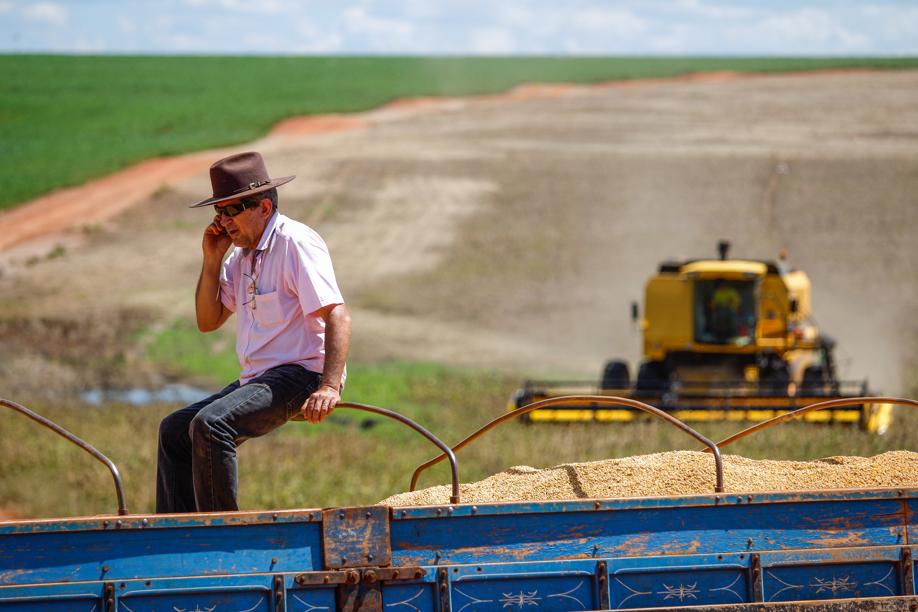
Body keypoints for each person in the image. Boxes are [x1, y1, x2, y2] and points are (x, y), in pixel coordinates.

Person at [156, 151, 351, 513]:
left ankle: (223, 536)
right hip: (259, 379)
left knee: (212, 424)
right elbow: (208, 320)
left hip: (301, 374)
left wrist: (327, 386)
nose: (224, 221)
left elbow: (338, 315)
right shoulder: (240, 256)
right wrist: (212, 259)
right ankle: (177, 534)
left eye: (233, 210)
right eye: (219, 212)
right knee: (174, 430)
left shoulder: (295, 243)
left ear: (263, 206)